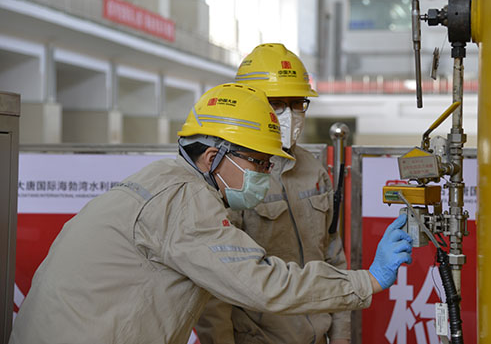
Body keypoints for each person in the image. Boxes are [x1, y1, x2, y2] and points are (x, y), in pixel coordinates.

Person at [9, 83, 412, 344]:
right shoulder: (184, 201)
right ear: (211, 155)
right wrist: (370, 279)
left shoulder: (166, 181)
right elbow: (262, 283)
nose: (265, 174)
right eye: (257, 162)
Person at [196, 43, 351, 344]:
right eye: (276, 104)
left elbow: (334, 258)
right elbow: (214, 285)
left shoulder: (314, 170)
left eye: (297, 103)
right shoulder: (231, 175)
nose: (289, 115)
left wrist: (341, 335)